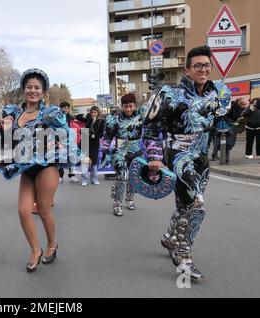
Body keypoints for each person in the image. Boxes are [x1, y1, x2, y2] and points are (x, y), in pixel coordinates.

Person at [143, 46, 248, 280]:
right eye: (198, 65)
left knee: (185, 206)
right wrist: (154, 157)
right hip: (178, 155)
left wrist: (238, 111)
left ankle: (170, 237)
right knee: (196, 206)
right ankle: (183, 255)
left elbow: (222, 124)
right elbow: (151, 127)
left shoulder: (217, 92)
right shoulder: (170, 94)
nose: (203, 69)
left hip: (201, 157)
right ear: (187, 70)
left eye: (207, 65)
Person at [0, 69, 79, 273]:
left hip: (46, 166)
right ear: (24, 90)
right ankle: (35, 249)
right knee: (23, 210)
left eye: (37, 88)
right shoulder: (13, 113)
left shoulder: (50, 113)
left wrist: (71, 152)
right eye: (29, 87)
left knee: (43, 208)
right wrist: (4, 132)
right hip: (25, 167)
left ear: (43, 92)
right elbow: (6, 145)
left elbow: (66, 135)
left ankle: (52, 244)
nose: (33, 91)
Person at [104, 94, 144, 216]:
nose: (128, 109)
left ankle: (129, 199)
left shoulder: (141, 116)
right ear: (122, 106)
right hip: (120, 151)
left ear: (135, 106)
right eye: (125, 107)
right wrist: (106, 153)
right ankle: (117, 203)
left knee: (133, 177)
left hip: (136, 151)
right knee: (122, 176)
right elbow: (108, 137)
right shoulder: (114, 119)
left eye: (130, 106)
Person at [81, 106, 105, 186]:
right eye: (92, 112)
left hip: (94, 142)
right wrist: (86, 115)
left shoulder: (101, 121)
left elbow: (101, 133)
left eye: (94, 112)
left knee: (94, 161)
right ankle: (84, 180)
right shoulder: (88, 119)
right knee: (85, 160)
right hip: (85, 141)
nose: (93, 114)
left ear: (98, 112)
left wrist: (93, 136)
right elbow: (78, 117)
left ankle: (94, 179)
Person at [58, 101, 79, 183]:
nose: (65, 109)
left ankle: (72, 175)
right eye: (64, 108)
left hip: (70, 140)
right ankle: (60, 176)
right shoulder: (58, 118)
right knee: (61, 158)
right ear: (61, 109)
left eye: (67, 108)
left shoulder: (71, 118)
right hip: (61, 139)